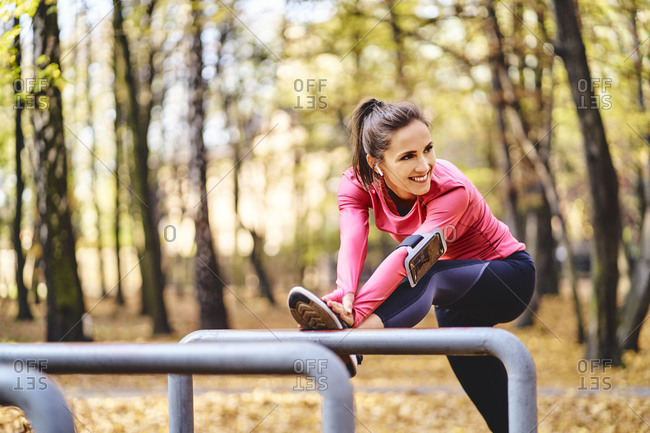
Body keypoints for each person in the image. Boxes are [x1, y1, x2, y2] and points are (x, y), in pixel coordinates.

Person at [288, 97, 535, 433]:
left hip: (507, 277)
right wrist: (345, 292)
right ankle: (347, 336)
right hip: (455, 301)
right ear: (376, 164)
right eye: (408, 156)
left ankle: (350, 340)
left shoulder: (451, 190)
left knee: (425, 269)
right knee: (500, 415)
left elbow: (411, 258)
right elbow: (351, 241)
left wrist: (354, 314)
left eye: (428, 149)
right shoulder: (356, 183)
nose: (424, 165)